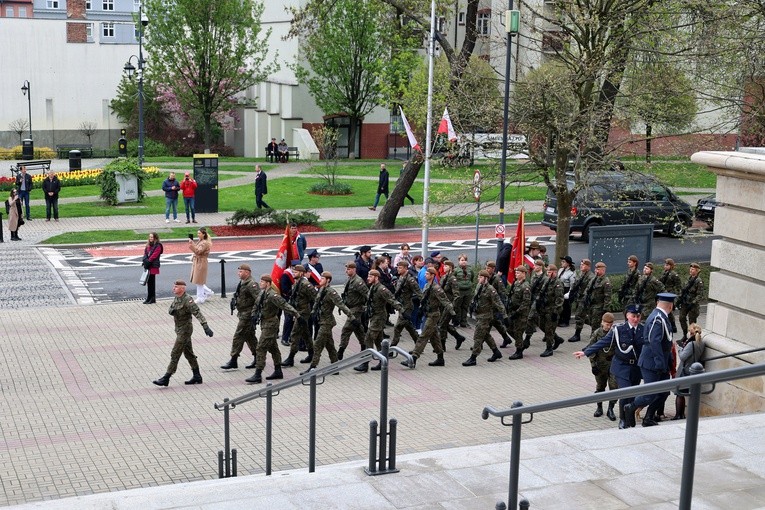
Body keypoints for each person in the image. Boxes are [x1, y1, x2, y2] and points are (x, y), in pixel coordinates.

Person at [574, 304, 644, 429]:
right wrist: (586, 352)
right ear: (627, 316)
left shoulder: (643, 330)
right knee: (624, 393)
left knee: (633, 393)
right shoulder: (619, 330)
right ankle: (623, 419)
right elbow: (603, 342)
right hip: (622, 367)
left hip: (636, 368)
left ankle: (630, 414)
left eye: (638, 316)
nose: (636, 319)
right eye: (633, 316)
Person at [626, 293, 677, 427]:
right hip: (652, 363)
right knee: (651, 393)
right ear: (670, 306)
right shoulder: (657, 318)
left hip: (661, 362)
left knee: (664, 392)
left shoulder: (660, 317)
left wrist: (667, 362)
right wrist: (660, 363)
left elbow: (666, 342)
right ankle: (630, 407)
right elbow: (654, 342)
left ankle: (648, 417)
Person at [152, 280, 214, 387]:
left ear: (182, 289)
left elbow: (197, 313)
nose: (173, 288)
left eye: (176, 287)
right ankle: (197, 376)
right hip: (179, 329)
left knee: (175, 353)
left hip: (185, 330)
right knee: (188, 353)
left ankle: (166, 377)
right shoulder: (177, 298)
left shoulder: (187, 300)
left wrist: (205, 326)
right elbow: (171, 309)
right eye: (174, 286)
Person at [245, 275, 300, 384]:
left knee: (261, 348)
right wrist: (253, 316)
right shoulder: (262, 293)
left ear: (268, 283)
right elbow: (256, 305)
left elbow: (285, 305)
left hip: (271, 324)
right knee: (273, 347)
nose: (260, 283)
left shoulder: (272, 295)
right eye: (260, 281)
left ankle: (258, 373)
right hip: (264, 322)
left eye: (263, 281)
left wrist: (297, 315)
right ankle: (278, 370)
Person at [301, 271, 355, 374]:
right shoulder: (322, 289)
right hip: (321, 320)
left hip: (327, 322)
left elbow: (341, 305)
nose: (320, 280)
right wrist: (312, 314)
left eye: (322, 279)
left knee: (317, 344)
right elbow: (317, 303)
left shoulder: (331, 292)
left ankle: (313, 367)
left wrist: (352, 317)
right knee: (329, 345)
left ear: (328, 280)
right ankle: (335, 367)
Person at [355, 269, 403, 372]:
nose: (368, 278)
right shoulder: (373, 287)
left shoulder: (381, 289)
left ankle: (365, 363)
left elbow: (392, 300)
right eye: (368, 276)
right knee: (379, 341)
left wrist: (402, 311)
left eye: (370, 276)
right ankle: (382, 362)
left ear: (376, 277)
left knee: (368, 338)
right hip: (373, 316)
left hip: (379, 317)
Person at [403, 267, 452, 369]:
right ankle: (440, 358)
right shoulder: (426, 285)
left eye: (427, 274)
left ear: (432, 276)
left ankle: (413, 358)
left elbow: (445, 301)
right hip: (427, 313)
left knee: (423, 336)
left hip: (434, 314)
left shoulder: (436, 288)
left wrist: (452, 313)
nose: (425, 275)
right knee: (434, 337)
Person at [462, 270, 506, 366]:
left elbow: (498, 303)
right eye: (478, 276)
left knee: (478, 336)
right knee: (485, 335)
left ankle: (473, 358)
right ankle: (496, 352)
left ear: (485, 278)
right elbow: (475, 298)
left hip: (486, 316)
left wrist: (505, 316)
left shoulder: (491, 289)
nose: (478, 278)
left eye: (480, 277)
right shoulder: (479, 286)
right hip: (479, 314)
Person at [220, 264, 260, 370]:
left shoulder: (252, 284)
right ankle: (258, 358)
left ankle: (233, 359)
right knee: (250, 337)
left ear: (247, 272)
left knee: (238, 336)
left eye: (241, 271)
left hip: (248, 315)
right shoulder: (243, 282)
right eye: (238, 271)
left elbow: (259, 299)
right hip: (243, 313)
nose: (239, 273)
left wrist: (255, 313)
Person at [582, 312, 618, 421]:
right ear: (602, 322)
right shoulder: (597, 334)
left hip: (613, 365)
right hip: (600, 365)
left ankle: (610, 409)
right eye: (607, 324)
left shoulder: (615, 333)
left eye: (610, 324)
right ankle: (599, 408)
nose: (608, 326)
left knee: (614, 387)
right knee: (600, 387)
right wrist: (593, 365)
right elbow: (591, 349)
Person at [281, 265, 317, 368]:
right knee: (306, 334)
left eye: (296, 272)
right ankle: (311, 354)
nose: (293, 274)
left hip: (303, 314)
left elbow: (315, 297)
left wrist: (313, 311)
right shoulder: (297, 283)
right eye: (293, 272)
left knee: (294, 335)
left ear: (301, 273)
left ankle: (291, 358)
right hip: (298, 312)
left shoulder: (305, 284)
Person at [569, 261, 611, 343]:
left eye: (598, 269)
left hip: (598, 306)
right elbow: (587, 290)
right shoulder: (594, 279)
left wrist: (605, 309)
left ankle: (593, 342)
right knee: (592, 322)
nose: (596, 271)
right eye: (596, 269)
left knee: (595, 325)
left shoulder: (606, 281)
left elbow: (607, 297)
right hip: (591, 305)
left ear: (603, 270)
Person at [672, 323, 705, 420]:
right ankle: (681, 415)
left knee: (679, 394)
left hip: (685, 371)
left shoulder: (691, 344)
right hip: (693, 370)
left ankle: (679, 415)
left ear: (690, 333)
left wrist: (680, 348)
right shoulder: (701, 342)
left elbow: (682, 356)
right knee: (684, 393)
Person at [337, 261, 368, 360]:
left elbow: (367, 295)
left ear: (354, 270)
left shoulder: (358, 281)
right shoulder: (349, 280)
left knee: (346, 329)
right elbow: (346, 295)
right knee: (358, 329)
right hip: (350, 308)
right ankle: (365, 348)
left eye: (349, 269)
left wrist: (367, 308)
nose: (346, 271)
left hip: (357, 309)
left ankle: (340, 352)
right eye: (346, 269)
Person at [391, 260, 421, 348]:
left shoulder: (410, 280)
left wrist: (423, 305)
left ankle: (392, 348)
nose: (398, 269)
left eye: (400, 268)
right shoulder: (400, 277)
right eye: (398, 268)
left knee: (397, 327)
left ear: (405, 268)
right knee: (409, 327)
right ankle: (418, 344)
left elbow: (419, 292)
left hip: (407, 307)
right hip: (401, 306)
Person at [537, 264, 564, 357]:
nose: (548, 274)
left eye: (550, 272)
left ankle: (549, 349)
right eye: (547, 272)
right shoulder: (548, 281)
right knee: (541, 325)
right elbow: (542, 292)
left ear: (555, 272)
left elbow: (559, 299)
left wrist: (555, 312)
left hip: (552, 310)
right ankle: (556, 338)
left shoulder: (557, 283)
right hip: (544, 309)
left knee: (549, 329)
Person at [506, 266, 532, 359]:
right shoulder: (516, 283)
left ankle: (519, 351)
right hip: (513, 311)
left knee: (518, 331)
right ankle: (521, 343)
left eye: (518, 272)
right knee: (509, 329)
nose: (516, 274)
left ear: (524, 274)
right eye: (516, 272)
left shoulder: (526, 286)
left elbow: (526, 303)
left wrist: (517, 312)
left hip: (521, 314)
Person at [677, 263, 704, 341]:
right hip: (685, 302)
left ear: (697, 270)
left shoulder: (699, 281)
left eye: (692, 269)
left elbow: (699, 295)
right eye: (690, 269)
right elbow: (683, 290)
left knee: (692, 322)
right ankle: (685, 334)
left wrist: (693, 303)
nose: (690, 270)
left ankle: (692, 337)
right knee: (681, 318)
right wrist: (678, 300)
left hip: (693, 305)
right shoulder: (688, 279)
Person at [188, 227, 214, 303]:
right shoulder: (201, 241)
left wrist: (191, 245)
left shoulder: (204, 243)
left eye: (199, 233)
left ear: (203, 234)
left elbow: (198, 251)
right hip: (198, 261)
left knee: (199, 281)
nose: (198, 234)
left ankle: (200, 297)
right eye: (198, 233)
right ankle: (208, 292)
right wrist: (192, 243)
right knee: (198, 280)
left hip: (201, 262)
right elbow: (197, 250)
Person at [660, 258, 682, 333]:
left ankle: (673, 325)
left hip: (670, 294)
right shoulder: (664, 273)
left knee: (669, 311)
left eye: (667, 265)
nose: (665, 266)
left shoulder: (674, 274)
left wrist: (677, 297)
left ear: (671, 266)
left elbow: (678, 286)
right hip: (664, 293)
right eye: (665, 265)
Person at [453, 254, 474, 328]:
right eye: (462, 260)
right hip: (459, 291)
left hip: (467, 291)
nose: (464, 262)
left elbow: (472, 278)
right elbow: (453, 280)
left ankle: (464, 322)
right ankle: (457, 321)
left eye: (465, 260)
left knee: (465, 307)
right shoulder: (456, 270)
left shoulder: (470, 270)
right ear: (459, 261)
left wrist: (469, 285)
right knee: (457, 307)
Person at [142, 232, 163, 304]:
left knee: (152, 283)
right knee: (148, 282)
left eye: (152, 237)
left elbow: (154, 255)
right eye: (150, 237)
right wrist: (145, 260)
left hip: (153, 265)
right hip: (148, 265)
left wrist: (148, 261)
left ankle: (152, 298)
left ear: (155, 238)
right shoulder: (148, 245)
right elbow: (145, 253)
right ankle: (149, 297)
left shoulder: (158, 245)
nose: (150, 238)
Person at [557, 256, 576, 327]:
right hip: (560, 289)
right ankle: (560, 320)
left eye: (563, 261)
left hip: (566, 289)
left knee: (566, 306)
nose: (561, 263)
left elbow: (572, 284)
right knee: (560, 305)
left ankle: (566, 321)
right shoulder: (561, 270)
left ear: (568, 263)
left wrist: (569, 293)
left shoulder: (571, 272)